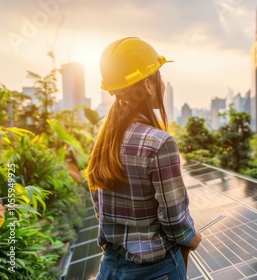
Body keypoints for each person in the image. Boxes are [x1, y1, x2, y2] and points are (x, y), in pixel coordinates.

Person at [86, 37, 202, 280]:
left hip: (110, 267)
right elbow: (174, 219)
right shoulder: (159, 142)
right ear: (147, 85)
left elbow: (100, 208)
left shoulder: (104, 140)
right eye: (158, 76)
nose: (162, 84)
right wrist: (191, 238)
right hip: (154, 270)